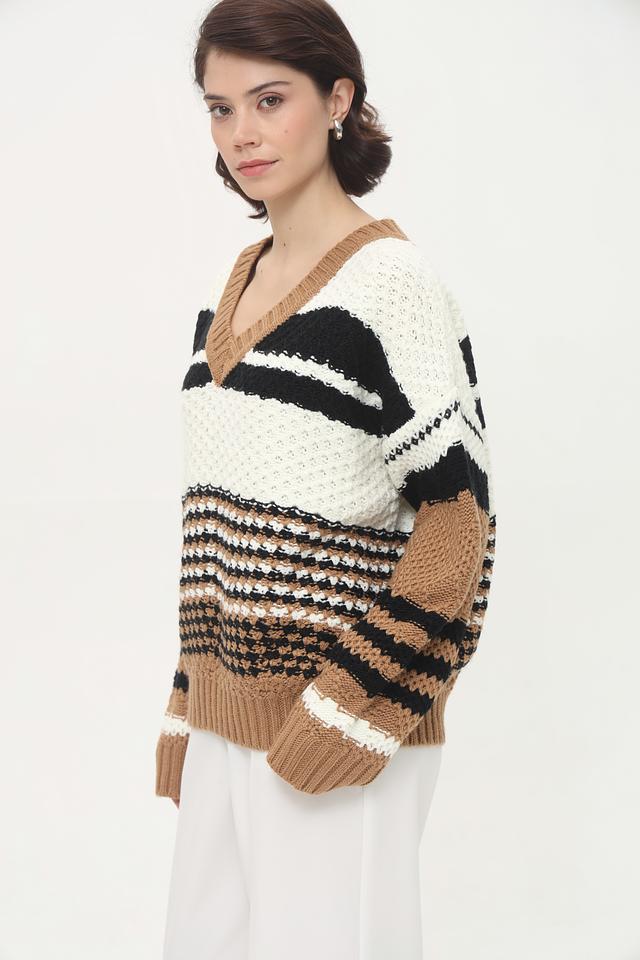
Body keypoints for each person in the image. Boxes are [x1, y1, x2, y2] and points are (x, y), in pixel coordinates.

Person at [154, 0, 497, 957]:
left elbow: (459, 523)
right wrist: (187, 700)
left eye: (270, 100)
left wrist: (354, 707)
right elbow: (218, 524)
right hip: (227, 725)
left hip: (339, 726)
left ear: (338, 99)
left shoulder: (391, 285)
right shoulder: (232, 284)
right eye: (221, 108)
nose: (243, 133)